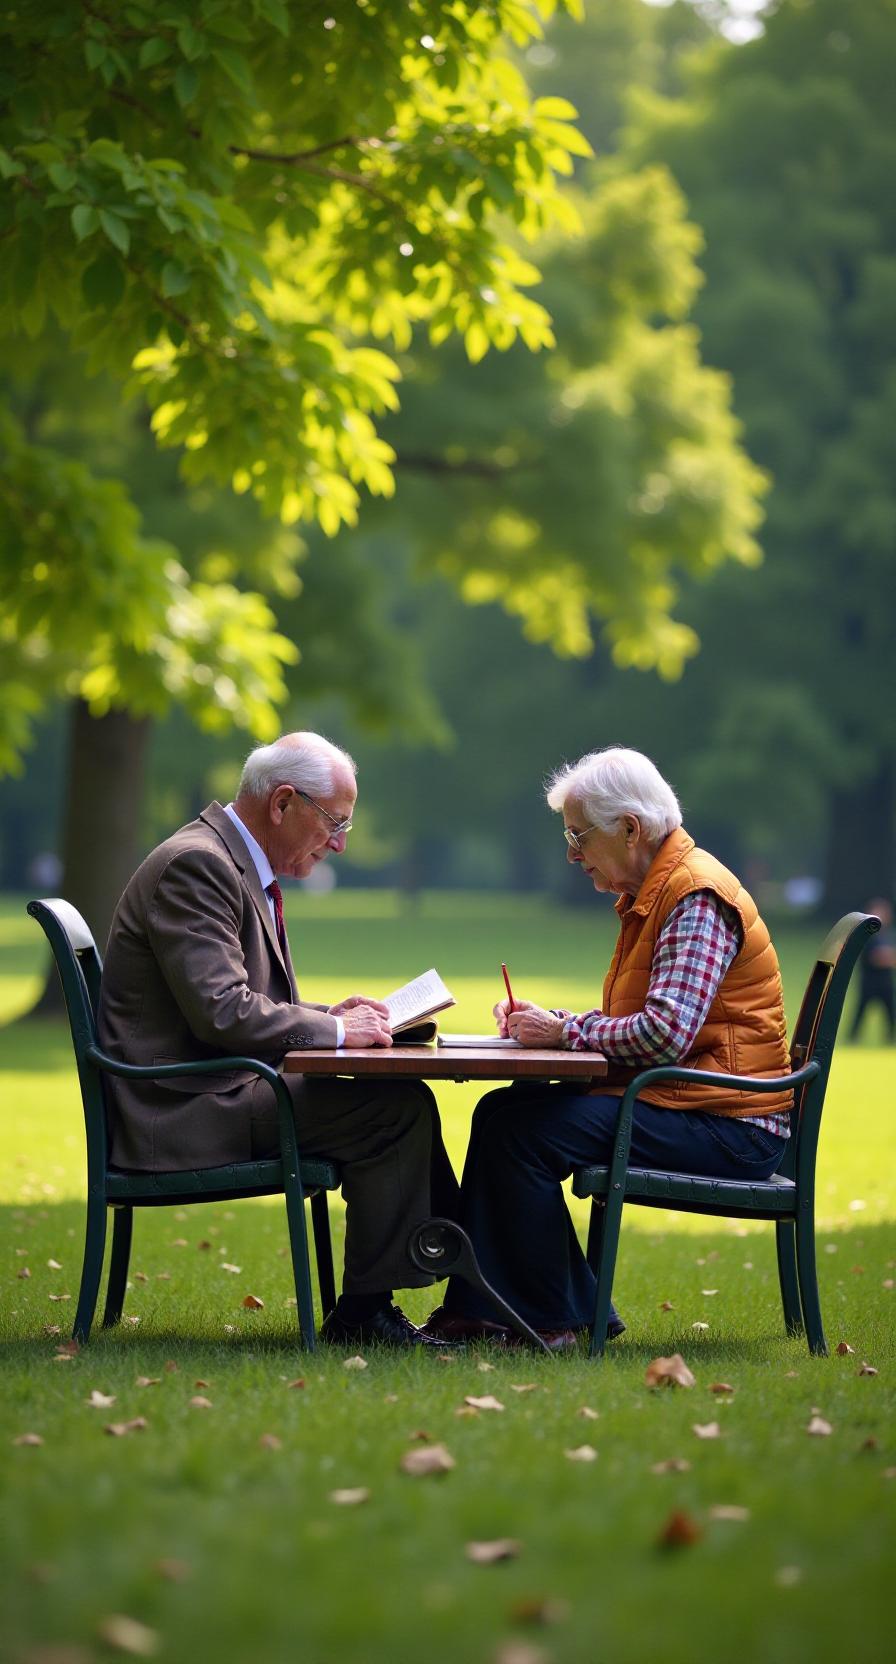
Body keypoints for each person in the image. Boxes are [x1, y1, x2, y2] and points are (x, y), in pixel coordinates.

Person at [98, 731, 460, 1348]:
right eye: (334, 822)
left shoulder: (224, 858)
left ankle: (448, 1285)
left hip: (209, 1086)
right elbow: (221, 1011)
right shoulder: (200, 865)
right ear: (283, 802)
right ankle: (375, 1312)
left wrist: (329, 1015)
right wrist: (341, 1031)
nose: (340, 842)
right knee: (393, 1111)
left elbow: (233, 1002)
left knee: (398, 1104)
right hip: (180, 1108)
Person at [424, 747, 792, 1352]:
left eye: (578, 835)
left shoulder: (695, 895)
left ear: (629, 828)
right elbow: (649, 1024)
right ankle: (483, 1308)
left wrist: (563, 1032)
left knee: (523, 1134)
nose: (571, 853)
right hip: (696, 1104)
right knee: (500, 1113)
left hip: (732, 1124)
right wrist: (555, 1023)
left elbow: (664, 1034)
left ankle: (558, 1320)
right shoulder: (661, 891)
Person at [849, 898, 895, 1042]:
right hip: (869, 982)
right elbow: (874, 957)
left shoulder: (888, 935)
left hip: (885, 982)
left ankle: (890, 1037)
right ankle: (853, 1037)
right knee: (861, 1012)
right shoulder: (867, 937)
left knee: (890, 1012)